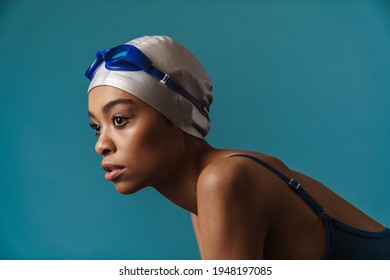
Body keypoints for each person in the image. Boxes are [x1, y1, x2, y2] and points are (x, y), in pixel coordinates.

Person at [85, 35, 390, 259]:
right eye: (97, 127)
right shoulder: (204, 195)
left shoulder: (223, 180)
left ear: (176, 117)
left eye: (121, 120)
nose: (102, 145)